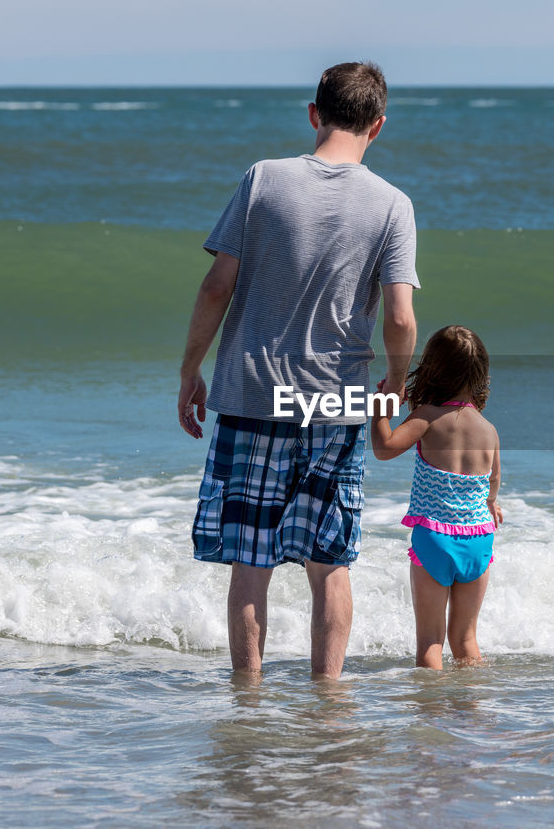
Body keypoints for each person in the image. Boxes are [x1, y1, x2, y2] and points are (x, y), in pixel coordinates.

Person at [177, 62, 419, 680]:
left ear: (314, 114)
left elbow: (216, 286)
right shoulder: (393, 205)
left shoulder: (263, 179)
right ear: (379, 125)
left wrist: (191, 368)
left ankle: (249, 699)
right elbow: (399, 315)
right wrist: (396, 378)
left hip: (254, 389)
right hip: (335, 399)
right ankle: (328, 699)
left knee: (251, 560)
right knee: (328, 558)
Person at [370, 325, 503, 669]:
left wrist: (381, 409)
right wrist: (491, 505)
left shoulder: (427, 418)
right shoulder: (488, 430)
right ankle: (472, 709)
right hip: (478, 538)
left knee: (431, 640)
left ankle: (431, 716)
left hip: (435, 537)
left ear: (433, 369)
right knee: (466, 639)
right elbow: (493, 482)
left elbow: (384, 449)